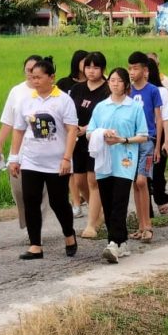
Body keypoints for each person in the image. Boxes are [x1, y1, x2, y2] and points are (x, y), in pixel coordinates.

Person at [7, 57, 79, 259]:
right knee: (31, 200)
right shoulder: (26, 100)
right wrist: (14, 158)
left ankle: (69, 234)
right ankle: (35, 245)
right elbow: (19, 130)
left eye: (39, 77)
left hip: (57, 161)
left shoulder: (63, 100)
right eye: (32, 77)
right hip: (31, 159)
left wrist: (67, 158)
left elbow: (72, 130)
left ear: (51, 77)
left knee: (58, 202)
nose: (35, 81)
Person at [86, 68, 147, 263]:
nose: (115, 84)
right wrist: (102, 134)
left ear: (126, 84)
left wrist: (123, 139)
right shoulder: (101, 107)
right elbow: (89, 132)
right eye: (112, 80)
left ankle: (112, 243)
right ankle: (122, 241)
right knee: (108, 201)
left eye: (119, 81)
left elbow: (143, 135)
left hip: (125, 161)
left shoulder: (134, 107)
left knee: (119, 203)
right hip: (104, 161)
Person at [0, 55, 43, 232]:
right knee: (19, 189)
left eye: (35, 70)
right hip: (19, 149)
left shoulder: (51, 93)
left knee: (40, 192)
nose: (31, 73)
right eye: (28, 69)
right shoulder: (16, 91)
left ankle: (36, 225)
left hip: (43, 150)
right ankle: (29, 219)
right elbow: (8, 120)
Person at [68, 51, 110, 238]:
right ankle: (98, 212)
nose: (91, 71)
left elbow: (108, 116)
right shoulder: (77, 89)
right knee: (79, 181)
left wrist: (87, 129)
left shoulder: (108, 90)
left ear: (102, 69)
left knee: (94, 181)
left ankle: (92, 224)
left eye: (96, 67)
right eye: (88, 67)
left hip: (97, 141)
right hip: (77, 141)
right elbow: (69, 112)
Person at [127, 52, 163, 244]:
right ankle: (141, 226)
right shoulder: (127, 91)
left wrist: (158, 145)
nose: (132, 72)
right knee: (135, 183)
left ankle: (147, 225)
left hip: (147, 140)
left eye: (136, 68)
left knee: (142, 181)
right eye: (130, 68)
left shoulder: (152, 91)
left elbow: (158, 118)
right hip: (131, 141)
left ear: (145, 70)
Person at [57, 50, 89, 217]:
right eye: (85, 62)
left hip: (87, 131)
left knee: (86, 173)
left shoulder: (97, 83)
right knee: (70, 169)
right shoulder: (64, 83)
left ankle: (91, 200)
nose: (89, 67)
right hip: (69, 131)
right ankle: (76, 202)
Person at [148, 59, 168, 215]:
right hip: (141, 136)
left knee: (158, 171)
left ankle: (160, 198)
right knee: (143, 176)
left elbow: (166, 117)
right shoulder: (132, 91)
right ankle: (147, 211)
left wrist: (167, 140)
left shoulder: (161, 90)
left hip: (158, 134)